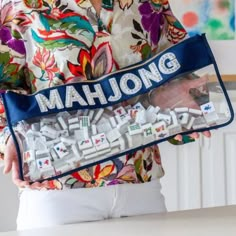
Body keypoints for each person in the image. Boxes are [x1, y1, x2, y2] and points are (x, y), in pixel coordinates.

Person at [0, 0, 211, 230]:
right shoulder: (20, 6)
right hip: (57, 190)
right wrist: (10, 137)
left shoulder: (150, 3)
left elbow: (174, 65)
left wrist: (188, 102)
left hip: (139, 182)